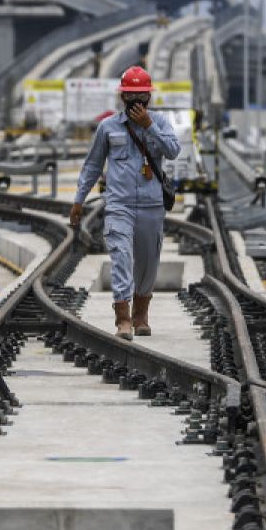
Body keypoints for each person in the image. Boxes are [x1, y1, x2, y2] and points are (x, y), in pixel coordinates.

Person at [70, 66, 180, 340]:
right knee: (120, 256)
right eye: (130, 97)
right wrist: (78, 200)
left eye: (141, 97)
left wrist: (149, 127)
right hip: (119, 204)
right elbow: (92, 165)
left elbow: (174, 151)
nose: (136, 103)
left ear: (149, 98)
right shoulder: (108, 127)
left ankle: (141, 315)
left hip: (152, 206)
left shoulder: (161, 122)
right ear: (122, 98)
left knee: (147, 261)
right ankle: (123, 319)